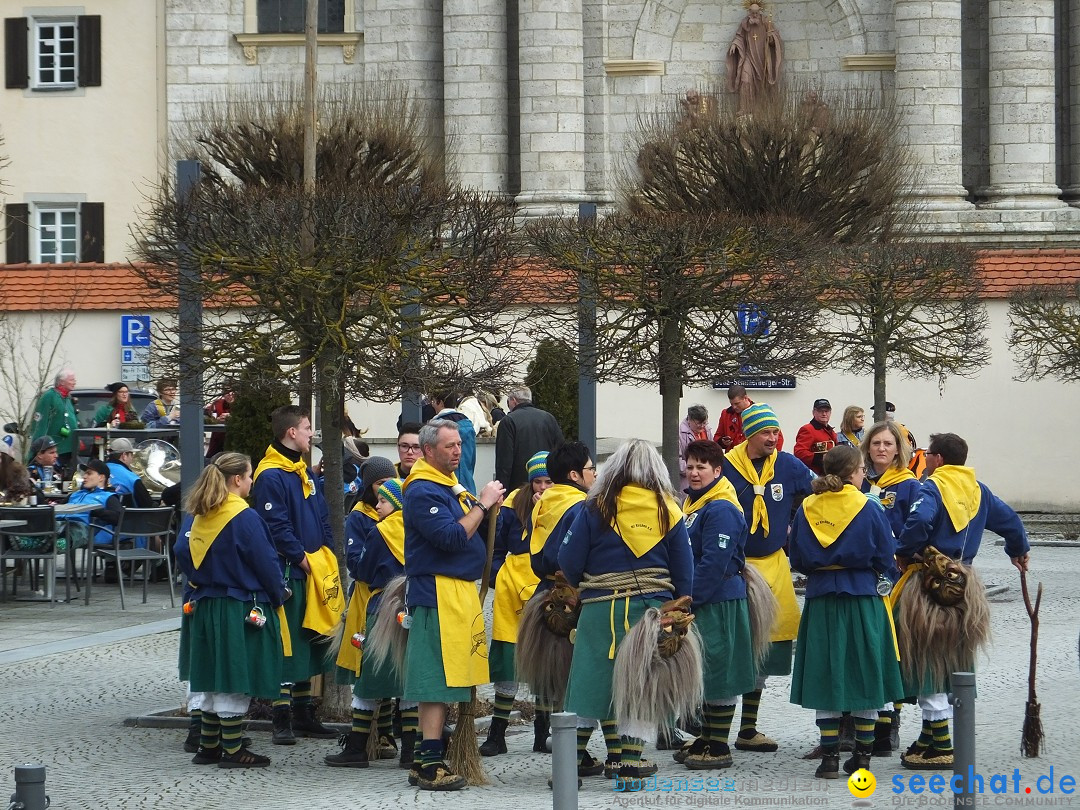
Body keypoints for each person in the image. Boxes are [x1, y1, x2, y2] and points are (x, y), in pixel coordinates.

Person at [559, 439, 694, 780]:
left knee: (591, 687)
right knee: (641, 688)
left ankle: (569, 767)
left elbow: (569, 563)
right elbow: (685, 571)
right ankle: (628, 765)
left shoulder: (595, 507)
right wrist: (679, 611)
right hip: (650, 614)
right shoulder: (670, 510)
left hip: (599, 613)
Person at [894, 432, 1029, 771]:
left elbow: (921, 520)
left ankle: (941, 743)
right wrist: (1019, 550)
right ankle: (927, 738)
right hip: (964, 587)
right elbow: (1011, 521)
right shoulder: (979, 491)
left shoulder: (931, 488)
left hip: (927, 587)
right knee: (950, 657)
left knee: (925, 657)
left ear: (937, 458)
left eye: (928, 456)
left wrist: (905, 550)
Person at [400, 419, 505, 790]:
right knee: (435, 679)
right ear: (428, 451)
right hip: (436, 594)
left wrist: (490, 508)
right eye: (449, 446)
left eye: (459, 444)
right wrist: (482, 503)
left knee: (451, 677)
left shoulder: (448, 485)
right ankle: (427, 761)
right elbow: (450, 536)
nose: (458, 451)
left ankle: (429, 755)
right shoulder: (422, 489)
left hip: (457, 594)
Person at [788, 445, 904, 779]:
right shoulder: (868, 507)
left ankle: (829, 759)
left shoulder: (808, 507)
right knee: (864, 672)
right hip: (863, 598)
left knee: (826, 672)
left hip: (822, 598)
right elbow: (886, 556)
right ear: (854, 472)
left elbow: (796, 558)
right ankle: (863, 759)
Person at [176, 452, 288, 769]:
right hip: (238, 607)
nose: (252, 482)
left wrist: (201, 577)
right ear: (237, 479)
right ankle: (234, 749)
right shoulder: (244, 517)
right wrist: (277, 594)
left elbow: (181, 550)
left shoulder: (198, 514)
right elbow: (267, 563)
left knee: (212, 675)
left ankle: (208, 746)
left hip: (204, 605)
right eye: (249, 476)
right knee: (234, 676)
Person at [720, 403, 814, 753]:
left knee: (764, 648)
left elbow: (816, 495)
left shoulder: (788, 466)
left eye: (775, 432)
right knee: (731, 644)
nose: (773, 438)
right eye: (765, 432)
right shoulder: (727, 467)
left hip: (773, 566)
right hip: (736, 567)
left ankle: (748, 728)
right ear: (748, 433)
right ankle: (709, 727)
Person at [252, 405, 337, 746]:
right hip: (293, 570)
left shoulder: (303, 471)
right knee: (288, 645)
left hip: (315, 567)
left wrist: (327, 549)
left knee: (308, 641)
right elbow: (275, 524)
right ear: (291, 433)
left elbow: (321, 514)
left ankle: (304, 712)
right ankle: (281, 717)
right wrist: (301, 557)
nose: (310, 434)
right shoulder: (271, 475)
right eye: (306, 428)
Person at [516, 440, 598, 768]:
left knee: (557, 677)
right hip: (570, 597)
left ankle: (570, 749)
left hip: (544, 591)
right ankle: (574, 755)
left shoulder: (545, 501)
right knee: (578, 677)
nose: (595, 474)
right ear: (575, 474)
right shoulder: (580, 506)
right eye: (592, 469)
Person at [326, 478, 415, 770]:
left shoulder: (380, 532)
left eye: (384, 501)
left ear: (397, 504)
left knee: (368, 681)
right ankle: (410, 752)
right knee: (405, 680)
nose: (377, 505)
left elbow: (362, 569)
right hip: (410, 608)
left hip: (380, 609)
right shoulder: (416, 531)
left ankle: (357, 748)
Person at [678, 439, 755, 770]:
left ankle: (719, 744)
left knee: (719, 668)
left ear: (717, 470)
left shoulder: (721, 507)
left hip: (717, 597)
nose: (694, 473)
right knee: (704, 669)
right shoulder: (695, 503)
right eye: (690, 466)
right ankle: (707, 735)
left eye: (701, 467)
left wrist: (689, 600)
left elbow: (714, 562)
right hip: (700, 596)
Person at [481, 450, 552, 758]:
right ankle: (497, 733)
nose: (543, 487)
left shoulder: (565, 504)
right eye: (538, 481)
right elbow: (495, 548)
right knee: (508, 661)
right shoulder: (510, 506)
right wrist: (498, 576)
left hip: (546, 589)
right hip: (512, 592)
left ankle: (543, 731)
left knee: (545, 659)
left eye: (549, 480)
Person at [859, 419, 921, 754]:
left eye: (887, 444)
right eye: (876, 443)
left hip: (895, 575)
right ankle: (860, 719)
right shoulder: (859, 480)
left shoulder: (909, 485)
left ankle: (890, 724)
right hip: (862, 573)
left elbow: (913, 525)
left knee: (894, 644)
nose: (881, 449)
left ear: (898, 449)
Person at [494, 384, 564, 491]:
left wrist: (501, 490)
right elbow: (560, 451)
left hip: (519, 489)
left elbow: (504, 462)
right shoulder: (549, 418)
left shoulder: (508, 421)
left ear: (513, 400)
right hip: (547, 485)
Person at [725, 1, 783, 112]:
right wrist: (734, 44)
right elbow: (739, 37)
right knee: (745, 79)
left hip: (762, 59)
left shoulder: (766, 21)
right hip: (748, 57)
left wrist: (771, 39)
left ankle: (761, 109)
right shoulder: (745, 23)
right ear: (749, 11)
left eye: (757, 13)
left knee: (762, 83)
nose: (755, 15)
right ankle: (745, 108)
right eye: (753, 13)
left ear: (760, 11)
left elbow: (774, 39)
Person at [28, 369, 78, 471]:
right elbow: (40, 423)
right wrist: (39, 447)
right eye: (72, 380)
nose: (75, 382)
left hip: (70, 449)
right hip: (55, 450)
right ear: (62, 382)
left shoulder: (68, 398)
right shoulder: (49, 396)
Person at [713, 385, 784, 453]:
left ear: (745, 398)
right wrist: (722, 442)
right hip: (733, 460)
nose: (734, 407)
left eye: (737, 403)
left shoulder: (761, 413)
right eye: (732, 404)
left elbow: (778, 438)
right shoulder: (726, 414)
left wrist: (771, 458)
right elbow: (717, 437)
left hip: (755, 459)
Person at [431, 391, 477, 494]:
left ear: (441, 402)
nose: (432, 404)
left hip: (444, 485)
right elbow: (472, 457)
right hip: (467, 482)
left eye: (433, 401)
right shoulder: (468, 423)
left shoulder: (435, 426)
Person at [105, 438, 154, 508]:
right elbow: (147, 505)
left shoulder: (98, 471)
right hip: (127, 517)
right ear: (124, 456)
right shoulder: (132, 479)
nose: (132, 458)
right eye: (131, 455)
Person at [794, 398, 837, 476]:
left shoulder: (831, 432)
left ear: (830, 413)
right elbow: (799, 452)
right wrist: (822, 458)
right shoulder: (808, 429)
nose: (824, 414)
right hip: (815, 476)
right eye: (820, 411)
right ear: (814, 412)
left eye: (826, 411)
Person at [678, 404, 710, 491]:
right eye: (699, 423)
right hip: (688, 481)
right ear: (689, 419)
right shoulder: (679, 434)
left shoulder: (707, 430)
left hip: (706, 479)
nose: (702, 426)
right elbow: (676, 461)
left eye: (704, 422)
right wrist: (694, 470)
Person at [204, 381, 236, 458]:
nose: (230, 395)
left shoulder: (243, 405)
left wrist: (233, 418)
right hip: (217, 442)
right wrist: (216, 420)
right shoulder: (217, 404)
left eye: (233, 391)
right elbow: (205, 417)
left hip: (235, 442)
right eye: (227, 392)